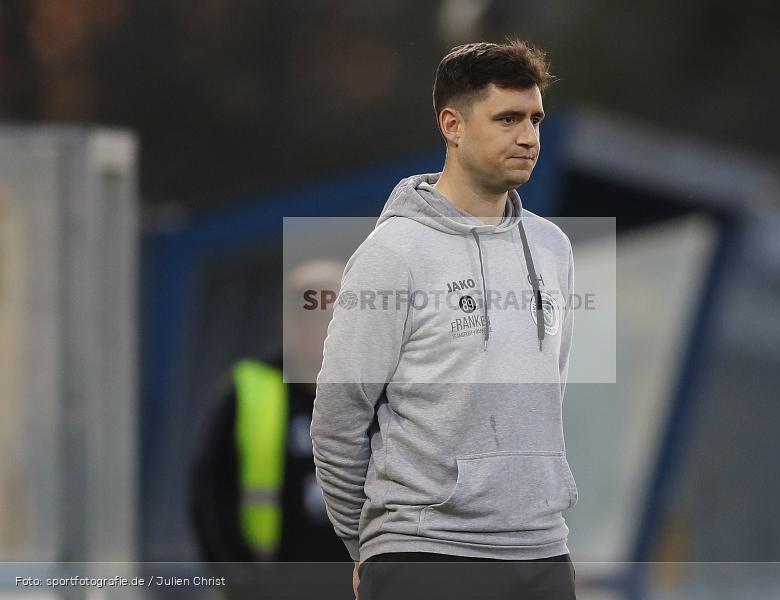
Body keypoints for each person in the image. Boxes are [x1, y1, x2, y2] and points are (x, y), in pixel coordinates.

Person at [310, 40, 578, 600]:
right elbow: (338, 421)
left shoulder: (554, 249)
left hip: (542, 552)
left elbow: (550, 397)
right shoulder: (393, 253)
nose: (528, 137)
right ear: (452, 126)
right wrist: (371, 547)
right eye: (507, 119)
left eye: (535, 119)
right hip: (424, 555)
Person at [189, 260, 351, 599]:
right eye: (312, 311)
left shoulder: (377, 393)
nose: (325, 324)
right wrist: (236, 575)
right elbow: (209, 494)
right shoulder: (250, 389)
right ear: (287, 321)